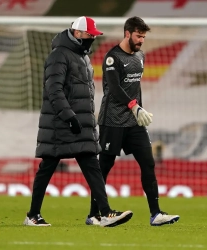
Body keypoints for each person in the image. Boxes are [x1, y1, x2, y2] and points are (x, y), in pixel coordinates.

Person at [23, 16, 133, 227]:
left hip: (80, 123)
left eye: (93, 35)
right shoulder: (59, 56)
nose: (92, 38)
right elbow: (53, 89)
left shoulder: (82, 57)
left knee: (92, 166)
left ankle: (104, 213)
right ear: (77, 33)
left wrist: (81, 119)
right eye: (89, 35)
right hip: (59, 123)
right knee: (47, 167)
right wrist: (69, 116)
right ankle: (33, 215)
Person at [85, 16, 180, 226]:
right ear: (127, 33)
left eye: (144, 37)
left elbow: (135, 87)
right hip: (112, 120)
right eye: (138, 36)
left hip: (134, 121)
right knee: (104, 167)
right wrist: (134, 106)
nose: (141, 41)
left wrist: (139, 110)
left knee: (148, 163)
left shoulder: (140, 56)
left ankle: (156, 214)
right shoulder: (112, 58)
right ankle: (94, 215)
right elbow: (115, 89)